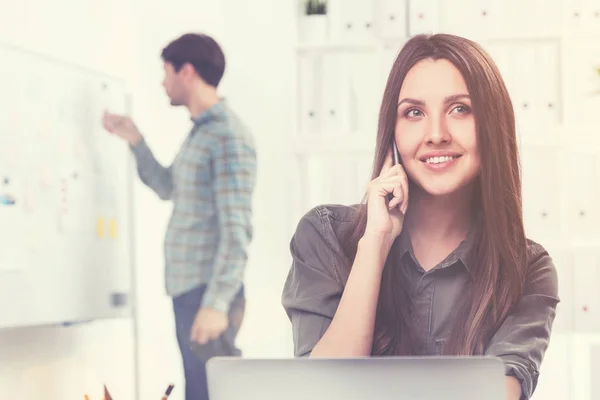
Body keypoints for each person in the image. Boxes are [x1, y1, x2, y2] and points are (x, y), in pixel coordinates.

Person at [281, 33, 559, 400]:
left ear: (492, 125)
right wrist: (374, 245)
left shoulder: (526, 269)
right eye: (414, 112)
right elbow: (320, 393)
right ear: (392, 132)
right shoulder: (324, 236)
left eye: (460, 109)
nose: (436, 134)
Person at [103, 33, 256, 400]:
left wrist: (216, 303)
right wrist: (135, 140)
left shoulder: (227, 136)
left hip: (208, 291)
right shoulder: (200, 134)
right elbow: (168, 186)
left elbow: (237, 231)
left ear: (186, 71)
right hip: (189, 288)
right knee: (198, 390)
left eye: (166, 72)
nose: (162, 82)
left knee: (211, 393)